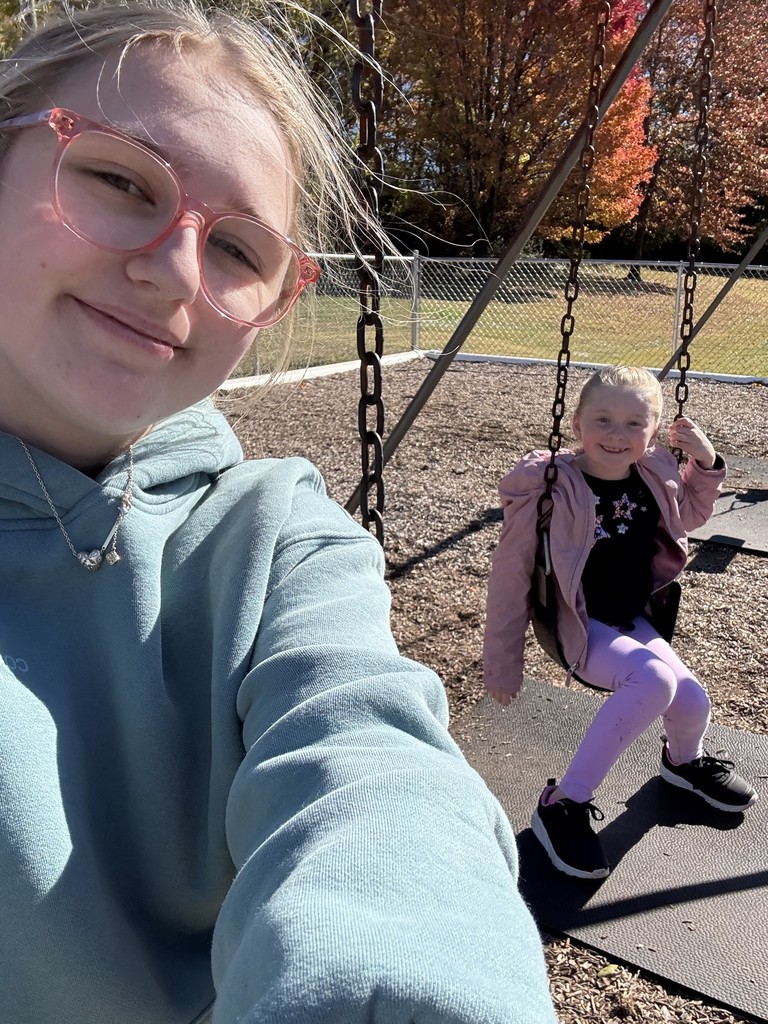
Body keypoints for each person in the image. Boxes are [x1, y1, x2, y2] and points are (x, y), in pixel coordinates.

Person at [0, 3, 559, 1023]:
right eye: (121, 181)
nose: (173, 271)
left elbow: (373, 769)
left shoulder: (280, 550)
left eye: (240, 252)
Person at [483, 365, 757, 882]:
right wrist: (502, 664)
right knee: (653, 680)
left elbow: (691, 515)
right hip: (580, 626)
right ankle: (561, 803)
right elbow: (510, 577)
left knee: (693, 700)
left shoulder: (653, 473)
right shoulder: (549, 489)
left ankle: (682, 764)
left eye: (635, 423)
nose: (617, 434)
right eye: (603, 419)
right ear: (577, 422)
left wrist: (707, 461)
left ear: (654, 432)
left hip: (631, 620)